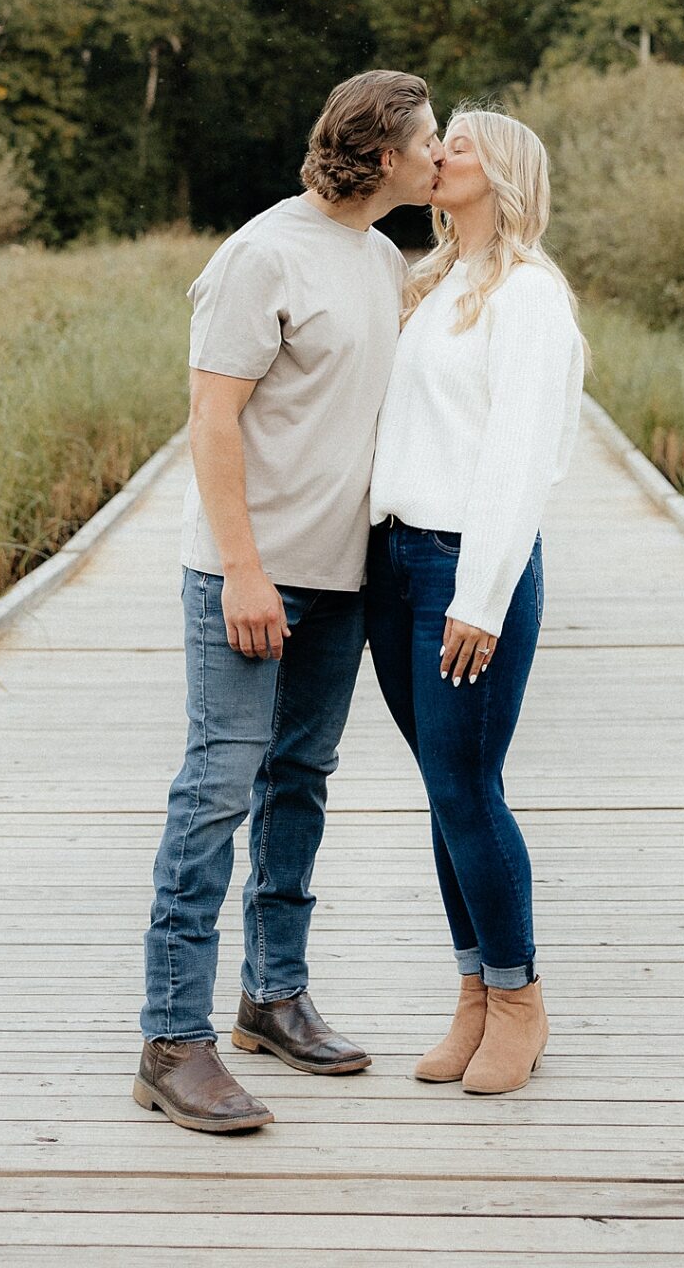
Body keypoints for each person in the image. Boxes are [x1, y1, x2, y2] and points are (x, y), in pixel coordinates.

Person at [134, 69, 444, 1134]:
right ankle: (173, 1039)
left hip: (342, 577)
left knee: (300, 781)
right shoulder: (262, 252)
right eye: (430, 138)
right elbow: (212, 421)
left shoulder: (378, 255)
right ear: (382, 150)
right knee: (216, 789)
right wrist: (244, 569)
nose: (441, 153)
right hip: (247, 577)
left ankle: (273, 994)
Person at [365, 108, 585, 1097]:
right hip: (396, 562)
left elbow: (519, 460)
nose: (436, 151)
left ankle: (520, 999)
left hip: (469, 571)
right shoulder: (436, 280)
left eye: (455, 140)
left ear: (498, 170)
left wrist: (482, 595)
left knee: (468, 788)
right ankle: (473, 993)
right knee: (444, 789)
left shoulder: (530, 296)